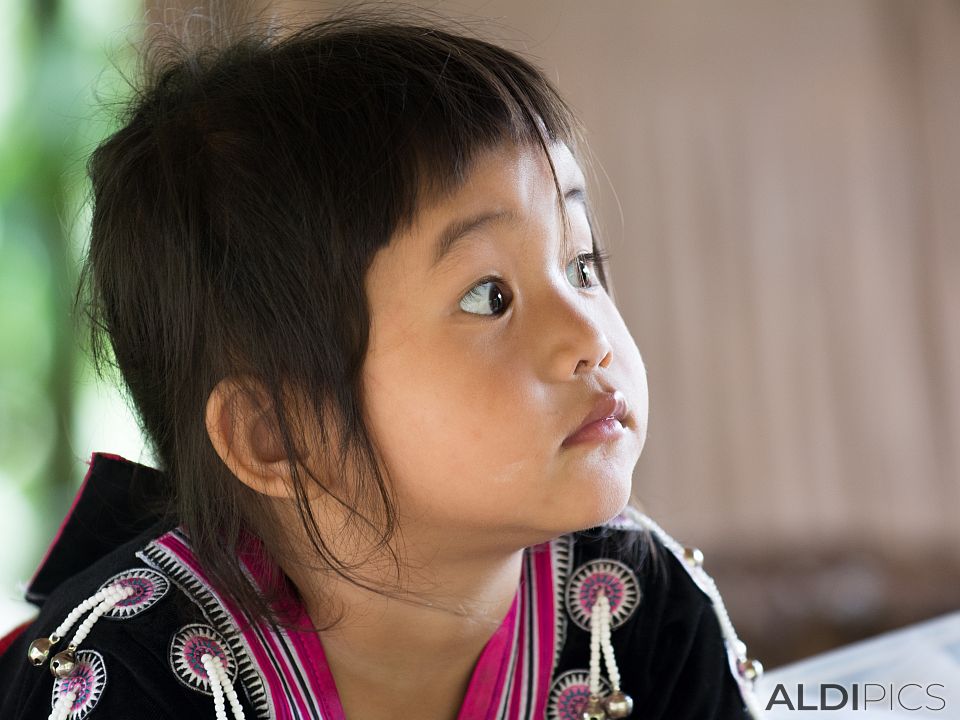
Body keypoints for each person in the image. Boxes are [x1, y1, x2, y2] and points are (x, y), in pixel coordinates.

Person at [0, 11, 764, 720]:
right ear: (279, 432)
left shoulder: (634, 603)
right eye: (489, 296)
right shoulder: (115, 678)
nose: (589, 336)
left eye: (582, 264)